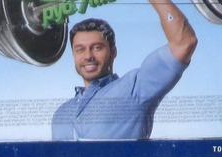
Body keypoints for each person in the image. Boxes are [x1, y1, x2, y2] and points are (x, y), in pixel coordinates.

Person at [51, 1, 197, 141]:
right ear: (74, 55)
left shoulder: (134, 89)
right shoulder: (61, 113)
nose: (88, 56)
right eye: (80, 50)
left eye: (97, 48)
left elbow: (184, 42)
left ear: (113, 52)